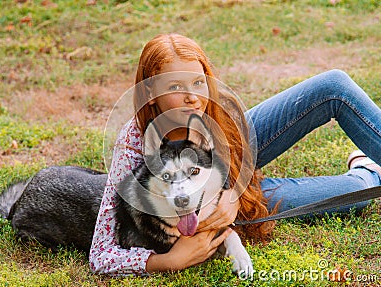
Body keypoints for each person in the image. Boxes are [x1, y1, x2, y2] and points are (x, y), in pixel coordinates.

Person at [89, 33, 381, 276]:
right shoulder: (133, 140)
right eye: (176, 86)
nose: (193, 97)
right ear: (151, 90)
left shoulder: (213, 108)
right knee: (357, 192)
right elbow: (101, 253)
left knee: (334, 86)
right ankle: (365, 168)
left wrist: (234, 191)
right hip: (197, 204)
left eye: (198, 82)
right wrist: (168, 262)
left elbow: (228, 161)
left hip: (233, 161)